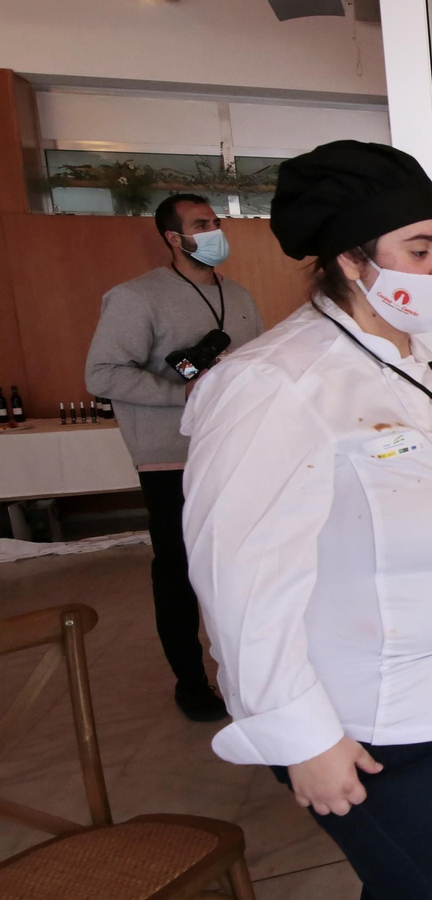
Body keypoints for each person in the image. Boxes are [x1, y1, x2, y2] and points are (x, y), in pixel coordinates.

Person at [180, 141, 432, 900]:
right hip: (375, 724)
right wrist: (300, 734)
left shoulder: (414, 362)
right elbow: (239, 581)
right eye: (420, 249)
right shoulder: (274, 383)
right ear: (351, 259)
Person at [85, 192, 263, 723]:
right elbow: (102, 374)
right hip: (173, 460)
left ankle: (248, 670)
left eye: (215, 221)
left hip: (237, 451)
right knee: (181, 572)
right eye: (202, 224)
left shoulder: (241, 296)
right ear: (173, 237)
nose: (215, 230)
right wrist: (181, 394)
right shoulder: (136, 297)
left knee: (243, 568)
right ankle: (190, 681)